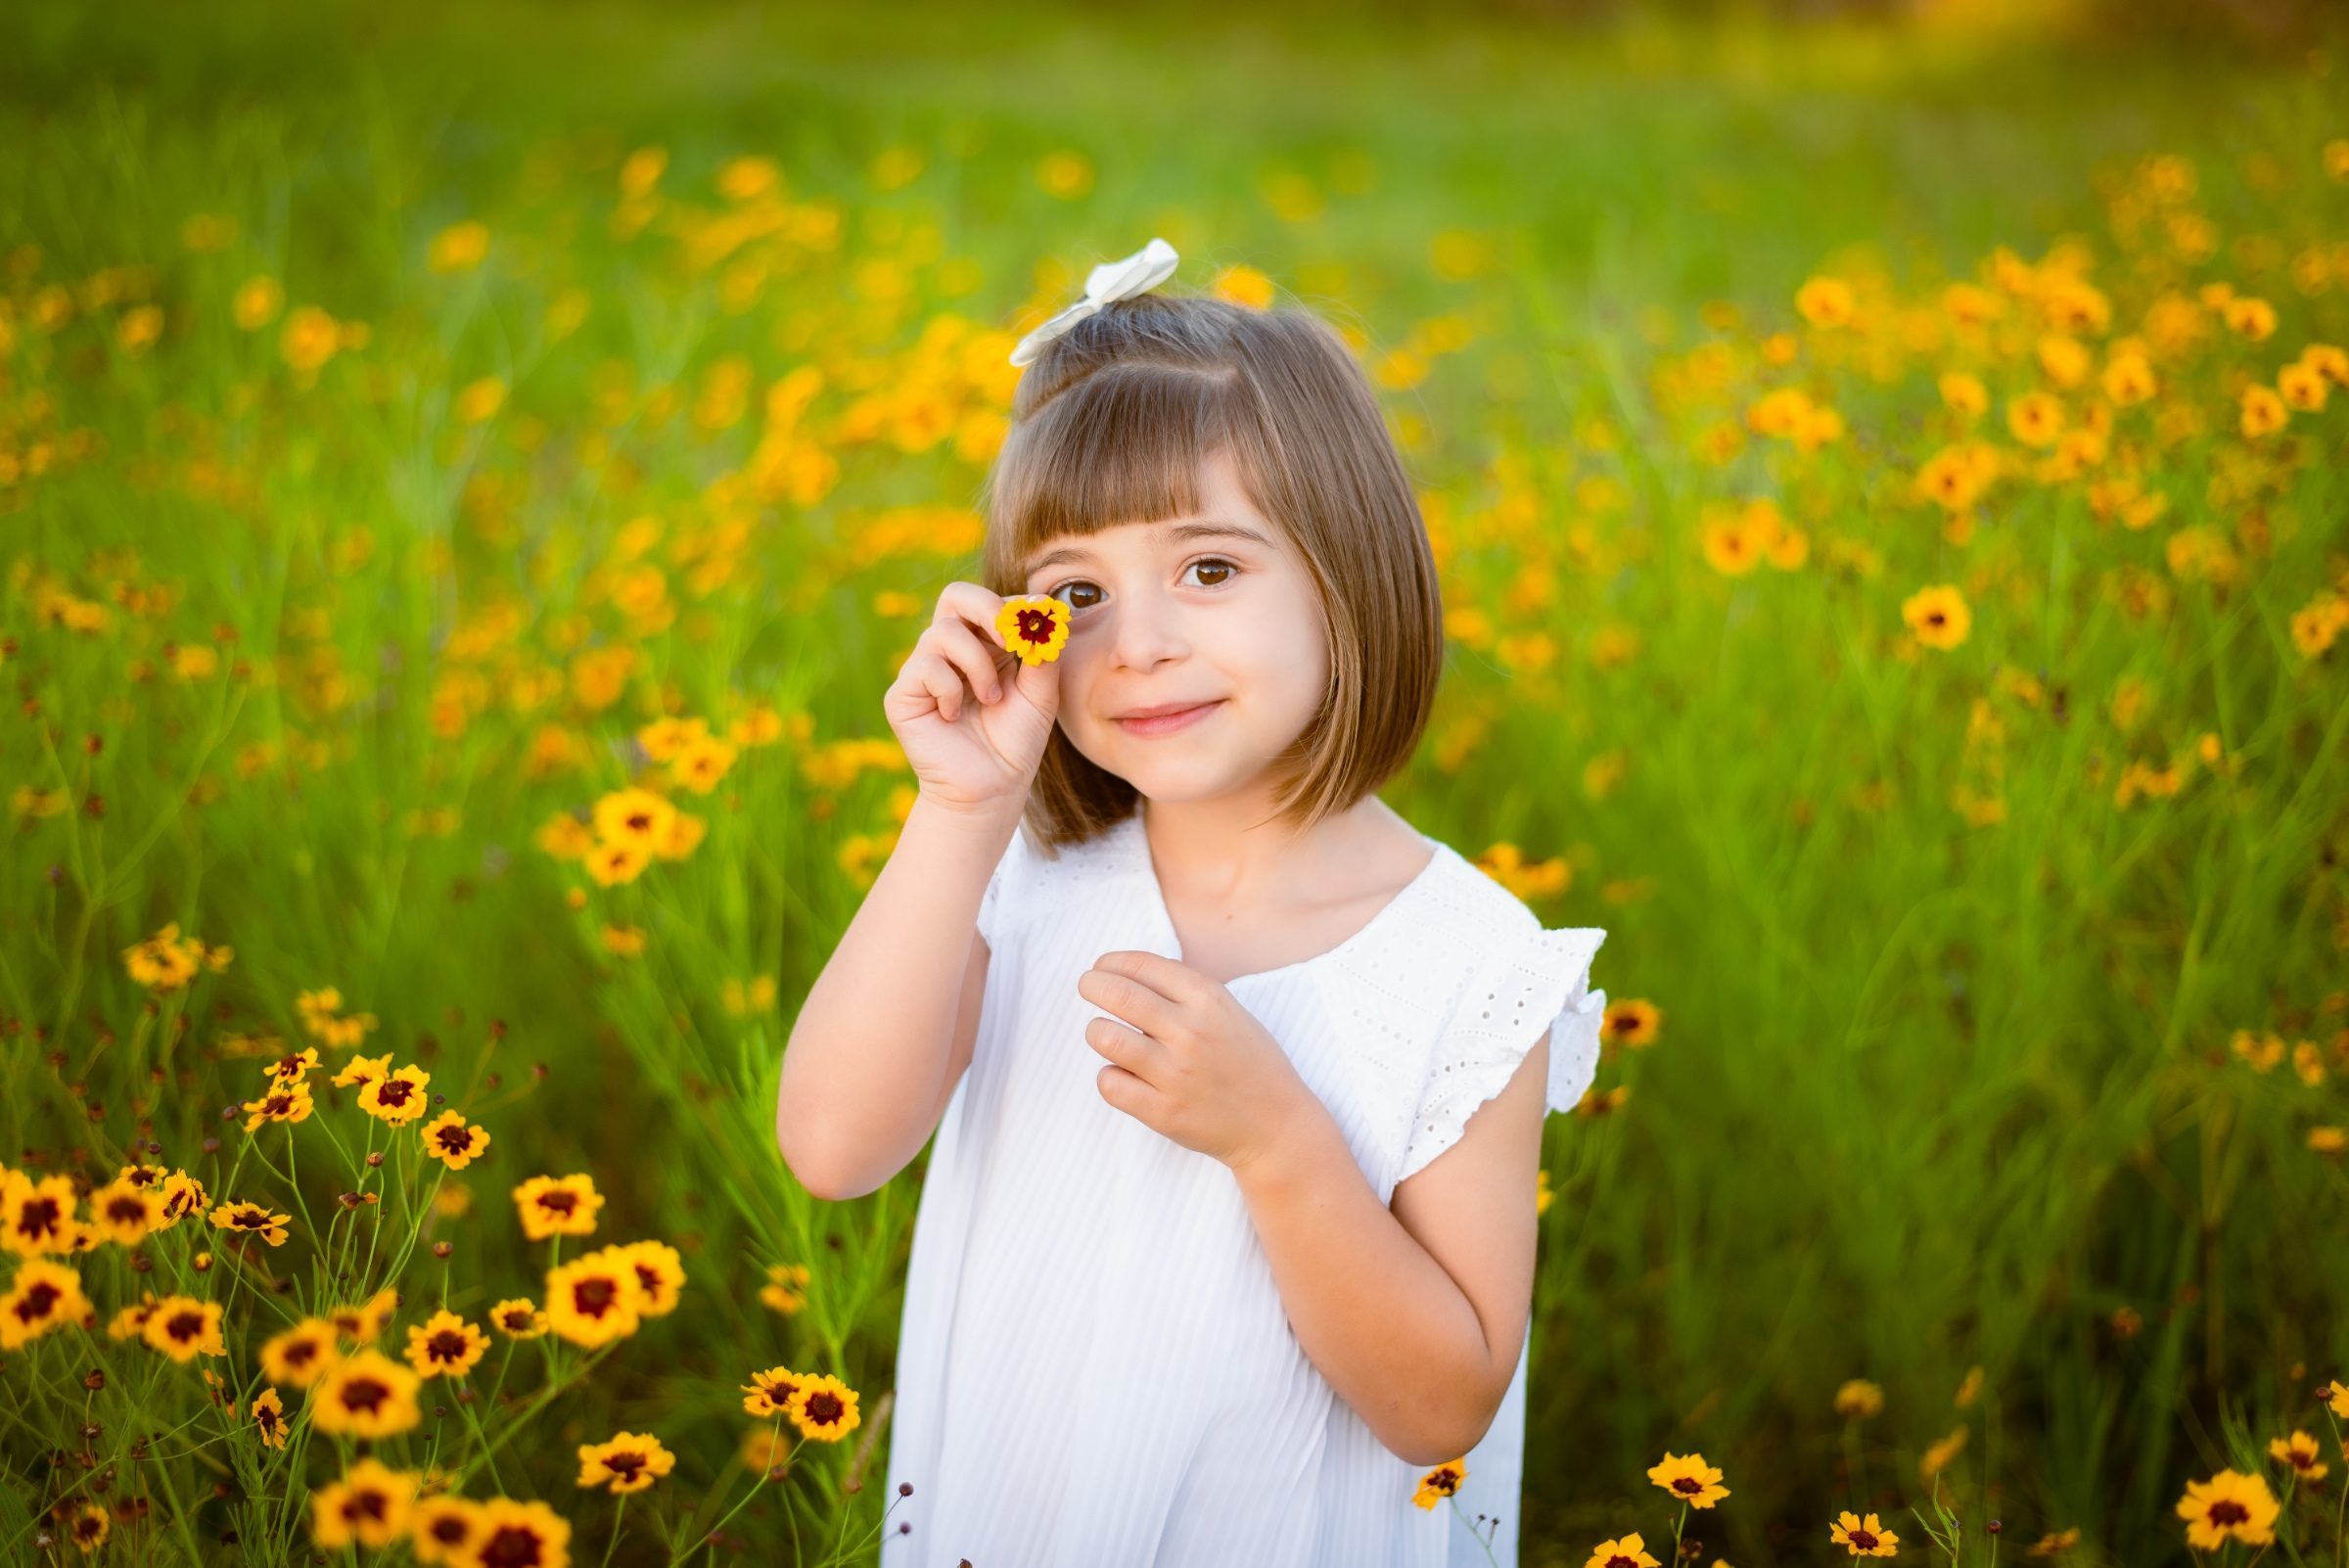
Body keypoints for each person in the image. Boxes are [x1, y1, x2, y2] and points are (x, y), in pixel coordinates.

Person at [774, 239, 1610, 1568]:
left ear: (1348, 569)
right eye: (1076, 595)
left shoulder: (1468, 960)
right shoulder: (1021, 882)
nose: (1140, 641)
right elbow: (831, 1145)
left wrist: (1278, 1140)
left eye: (1210, 568)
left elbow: (1443, 1403)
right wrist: (959, 809)